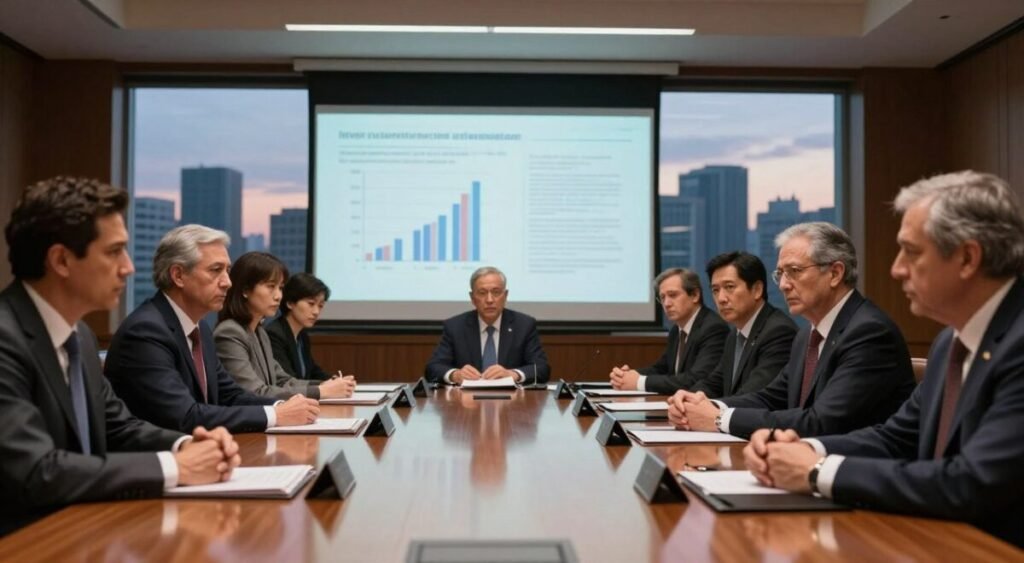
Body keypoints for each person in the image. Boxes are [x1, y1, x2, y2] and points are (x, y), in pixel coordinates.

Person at [744, 171, 1024, 548]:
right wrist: (807, 449)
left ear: (967, 258)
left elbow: (971, 483)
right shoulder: (949, 343)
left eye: (911, 251)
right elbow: (895, 438)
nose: (896, 269)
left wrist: (816, 471)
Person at [0, 177, 239, 535]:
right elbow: (35, 471)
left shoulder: (77, 334)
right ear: (61, 260)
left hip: (79, 530)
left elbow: (120, 427)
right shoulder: (6, 337)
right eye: (114, 252)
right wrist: (177, 467)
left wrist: (191, 443)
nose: (129, 267)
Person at [669, 222, 915, 438]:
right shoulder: (807, 335)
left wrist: (719, 419)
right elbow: (770, 397)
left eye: (794, 272)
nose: (784, 285)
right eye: (781, 274)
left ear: (835, 273)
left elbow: (822, 422)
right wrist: (707, 405)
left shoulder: (869, 333)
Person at [105, 225, 319, 433]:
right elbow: (185, 416)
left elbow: (231, 395)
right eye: (215, 270)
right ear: (178, 275)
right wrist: (276, 416)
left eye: (227, 270)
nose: (227, 282)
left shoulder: (201, 330)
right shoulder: (146, 331)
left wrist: (282, 406)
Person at [213, 252, 355, 400]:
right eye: (271, 287)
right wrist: (320, 391)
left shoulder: (259, 332)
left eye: (280, 288)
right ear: (245, 290)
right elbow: (255, 392)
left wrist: (327, 384)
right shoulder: (230, 332)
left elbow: (283, 381)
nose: (278, 296)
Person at [691, 252, 797, 398]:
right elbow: (715, 382)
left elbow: (754, 396)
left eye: (729, 287)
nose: (721, 299)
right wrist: (688, 398)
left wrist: (706, 407)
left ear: (757, 290)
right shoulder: (735, 334)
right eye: (715, 290)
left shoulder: (779, 332)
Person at [609, 268, 728, 394]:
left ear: (695, 295)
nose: (666, 303)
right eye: (662, 297)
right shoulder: (676, 331)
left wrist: (639, 382)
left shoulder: (713, 328)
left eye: (673, 295)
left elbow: (696, 380)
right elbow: (661, 368)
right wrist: (628, 376)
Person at [425, 266, 550, 385]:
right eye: (482, 293)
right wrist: (455, 375)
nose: (490, 300)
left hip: (511, 401)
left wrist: (513, 374)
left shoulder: (524, 325)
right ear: (472, 298)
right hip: (467, 401)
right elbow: (433, 368)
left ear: (505, 296)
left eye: (496, 292)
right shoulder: (455, 326)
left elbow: (541, 368)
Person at [267, 272, 335, 381]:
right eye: (311, 304)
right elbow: (287, 379)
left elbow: (312, 371)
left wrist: (334, 380)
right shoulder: (274, 334)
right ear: (290, 303)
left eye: (320, 306)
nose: (316, 312)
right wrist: (325, 387)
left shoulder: (302, 335)